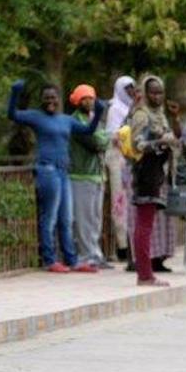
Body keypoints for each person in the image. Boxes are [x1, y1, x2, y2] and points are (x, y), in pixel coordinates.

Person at [8, 79, 103, 273]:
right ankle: (49, 260)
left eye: (54, 97)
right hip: (47, 170)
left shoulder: (66, 120)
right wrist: (15, 93)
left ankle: (72, 260)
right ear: (41, 100)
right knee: (49, 217)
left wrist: (99, 112)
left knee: (66, 219)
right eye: (46, 98)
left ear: (59, 100)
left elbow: (88, 130)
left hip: (63, 171)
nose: (50, 101)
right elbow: (12, 114)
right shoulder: (36, 117)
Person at [129, 75, 179, 286]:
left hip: (158, 172)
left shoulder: (160, 115)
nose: (157, 96)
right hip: (146, 172)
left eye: (160, 92)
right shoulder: (142, 115)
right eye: (153, 92)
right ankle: (144, 274)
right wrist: (161, 141)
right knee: (144, 225)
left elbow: (175, 136)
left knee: (148, 224)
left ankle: (146, 272)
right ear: (145, 93)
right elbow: (137, 145)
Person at [68, 84, 112, 269]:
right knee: (84, 219)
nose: (89, 102)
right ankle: (86, 255)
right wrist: (104, 138)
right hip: (81, 174)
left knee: (95, 218)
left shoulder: (94, 119)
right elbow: (95, 142)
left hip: (97, 175)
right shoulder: (75, 121)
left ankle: (95, 253)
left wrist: (103, 138)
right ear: (77, 101)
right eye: (84, 98)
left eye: (91, 98)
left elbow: (104, 140)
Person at [105, 76, 136, 267]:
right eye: (128, 88)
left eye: (133, 87)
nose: (131, 91)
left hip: (130, 160)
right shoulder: (115, 109)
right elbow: (113, 135)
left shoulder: (132, 109)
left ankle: (130, 244)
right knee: (119, 202)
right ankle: (122, 245)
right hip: (117, 159)